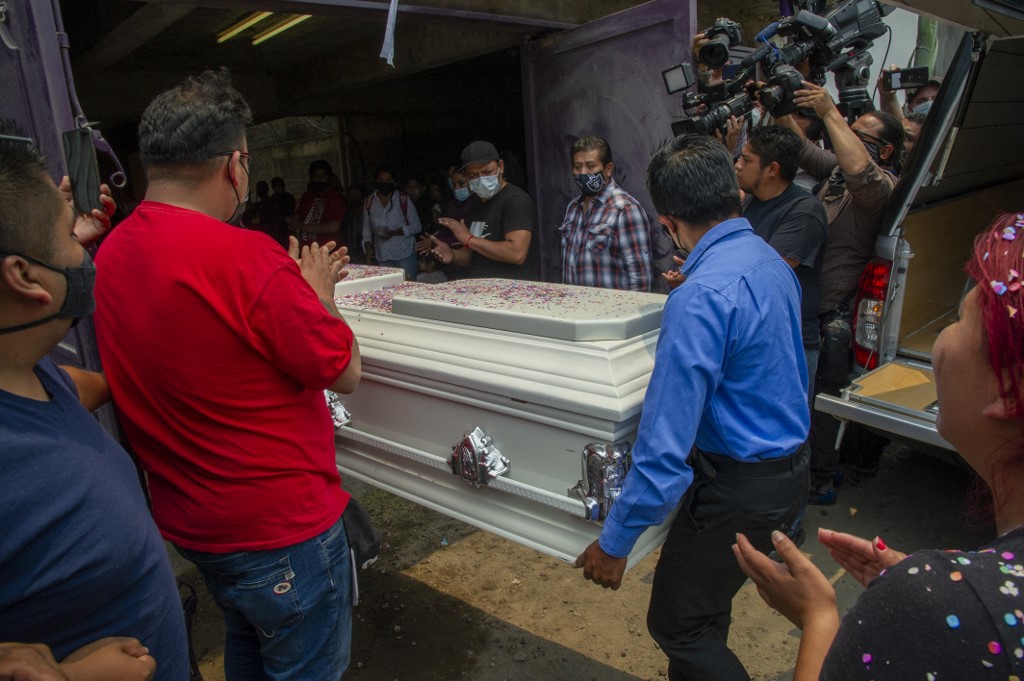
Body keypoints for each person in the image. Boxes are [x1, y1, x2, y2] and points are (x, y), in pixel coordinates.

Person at [92, 69, 362, 681]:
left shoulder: (112, 252)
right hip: (280, 529)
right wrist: (316, 292)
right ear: (236, 166)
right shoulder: (247, 258)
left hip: (194, 524)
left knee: (249, 644)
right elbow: (343, 370)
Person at [735, 211, 1024, 680]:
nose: (943, 340)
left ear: (1008, 393)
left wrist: (818, 617)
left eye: (960, 319)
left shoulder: (943, 603)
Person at [574, 134, 810, 681]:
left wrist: (617, 542)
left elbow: (663, 447)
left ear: (666, 221)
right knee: (705, 611)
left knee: (677, 624)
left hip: (737, 489)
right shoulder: (768, 260)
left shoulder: (701, 297)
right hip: (785, 473)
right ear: (735, 194)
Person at [0, 122, 187, 680]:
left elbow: (83, 390)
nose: (86, 255)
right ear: (23, 275)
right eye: (70, 241)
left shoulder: (34, 372)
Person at [781, 82, 905, 504]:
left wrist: (831, 113)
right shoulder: (837, 171)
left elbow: (859, 172)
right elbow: (804, 151)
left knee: (824, 407)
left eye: (861, 137)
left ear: (885, 151)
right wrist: (780, 105)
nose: (847, 139)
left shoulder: (881, 188)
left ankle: (820, 480)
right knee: (803, 399)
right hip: (808, 306)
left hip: (834, 314)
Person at [735, 125, 829, 404]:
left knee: (785, 438)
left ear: (772, 169)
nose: (738, 165)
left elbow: (763, 273)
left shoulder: (804, 211)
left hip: (789, 344)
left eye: (747, 160)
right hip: (753, 338)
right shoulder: (750, 202)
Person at [428, 140, 536, 280]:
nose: (481, 179)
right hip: (482, 292)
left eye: (487, 172)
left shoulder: (515, 201)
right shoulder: (475, 205)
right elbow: (474, 255)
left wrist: (469, 239)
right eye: (473, 175)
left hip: (511, 294)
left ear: (501, 166)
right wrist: (453, 255)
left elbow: (517, 253)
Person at [558, 136, 653, 291]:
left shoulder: (625, 209)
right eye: (577, 166)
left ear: (608, 169)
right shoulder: (573, 208)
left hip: (611, 313)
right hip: (573, 311)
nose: (583, 173)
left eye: (590, 166)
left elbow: (640, 279)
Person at [361, 167, 421, 280]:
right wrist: (369, 249)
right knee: (388, 291)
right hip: (382, 254)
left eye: (388, 180)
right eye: (381, 180)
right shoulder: (369, 201)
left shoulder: (403, 199)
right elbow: (366, 230)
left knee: (408, 287)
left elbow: (417, 226)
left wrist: (395, 232)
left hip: (404, 253)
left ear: (394, 182)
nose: (384, 183)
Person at [290, 159, 347, 249]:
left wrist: (302, 227)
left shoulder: (335, 198)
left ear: (329, 177)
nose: (319, 178)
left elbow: (333, 226)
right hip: (306, 250)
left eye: (323, 175)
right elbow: (297, 217)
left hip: (328, 251)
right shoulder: (307, 196)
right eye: (315, 175)